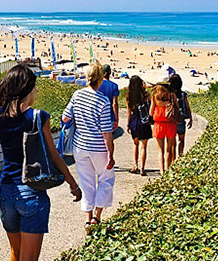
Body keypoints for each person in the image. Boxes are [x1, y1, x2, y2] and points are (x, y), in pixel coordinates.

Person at [0, 64, 81, 261]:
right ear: (27, 89)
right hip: (31, 193)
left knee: (16, 252)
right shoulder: (38, 117)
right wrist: (73, 184)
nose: (36, 93)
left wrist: (0, 108)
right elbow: (55, 155)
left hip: (6, 192)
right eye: (34, 88)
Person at [61, 62, 116, 230]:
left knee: (86, 182)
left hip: (80, 146)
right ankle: (97, 217)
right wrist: (111, 154)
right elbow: (107, 132)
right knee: (106, 179)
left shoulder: (77, 95)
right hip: (98, 147)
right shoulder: (103, 100)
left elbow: (65, 118)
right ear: (101, 80)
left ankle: (88, 217)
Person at [150, 84, 180, 173]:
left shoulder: (155, 96)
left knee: (160, 150)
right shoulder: (171, 95)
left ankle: (162, 171)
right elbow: (177, 108)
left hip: (159, 124)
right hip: (170, 124)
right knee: (169, 149)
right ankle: (168, 169)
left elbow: (151, 113)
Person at [126, 75, 152, 175]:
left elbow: (129, 112)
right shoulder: (145, 95)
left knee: (135, 144)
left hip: (134, 120)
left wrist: (128, 124)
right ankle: (142, 168)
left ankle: (135, 165)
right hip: (144, 121)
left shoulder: (129, 96)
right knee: (144, 146)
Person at [168, 73, 192, 157]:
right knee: (181, 140)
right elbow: (187, 106)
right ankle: (180, 156)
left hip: (172, 120)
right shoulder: (183, 94)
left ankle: (173, 160)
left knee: (172, 142)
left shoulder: (169, 95)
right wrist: (190, 118)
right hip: (181, 119)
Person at [98, 65, 120, 131]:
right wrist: (116, 118)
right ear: (110, 73)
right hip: (109, 115)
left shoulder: (97, 84)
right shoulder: (114, 86)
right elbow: (115, 103)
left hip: (98, 114)